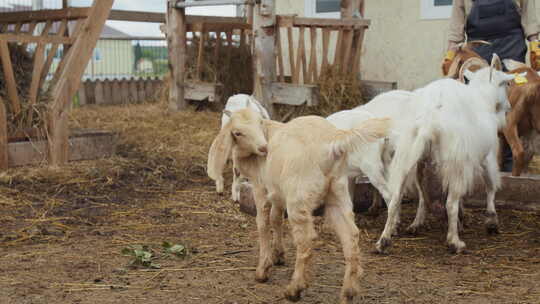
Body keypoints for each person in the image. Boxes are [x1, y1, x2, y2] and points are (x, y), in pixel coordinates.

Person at [442, 0, 540, 172]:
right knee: (478, 109)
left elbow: (529, 15)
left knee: (510, 110)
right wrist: (451, 54)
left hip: (512, 47)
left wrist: (535, 44)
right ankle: (479, 169)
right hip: (478, 51)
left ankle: (510, 169)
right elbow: (456, 26)